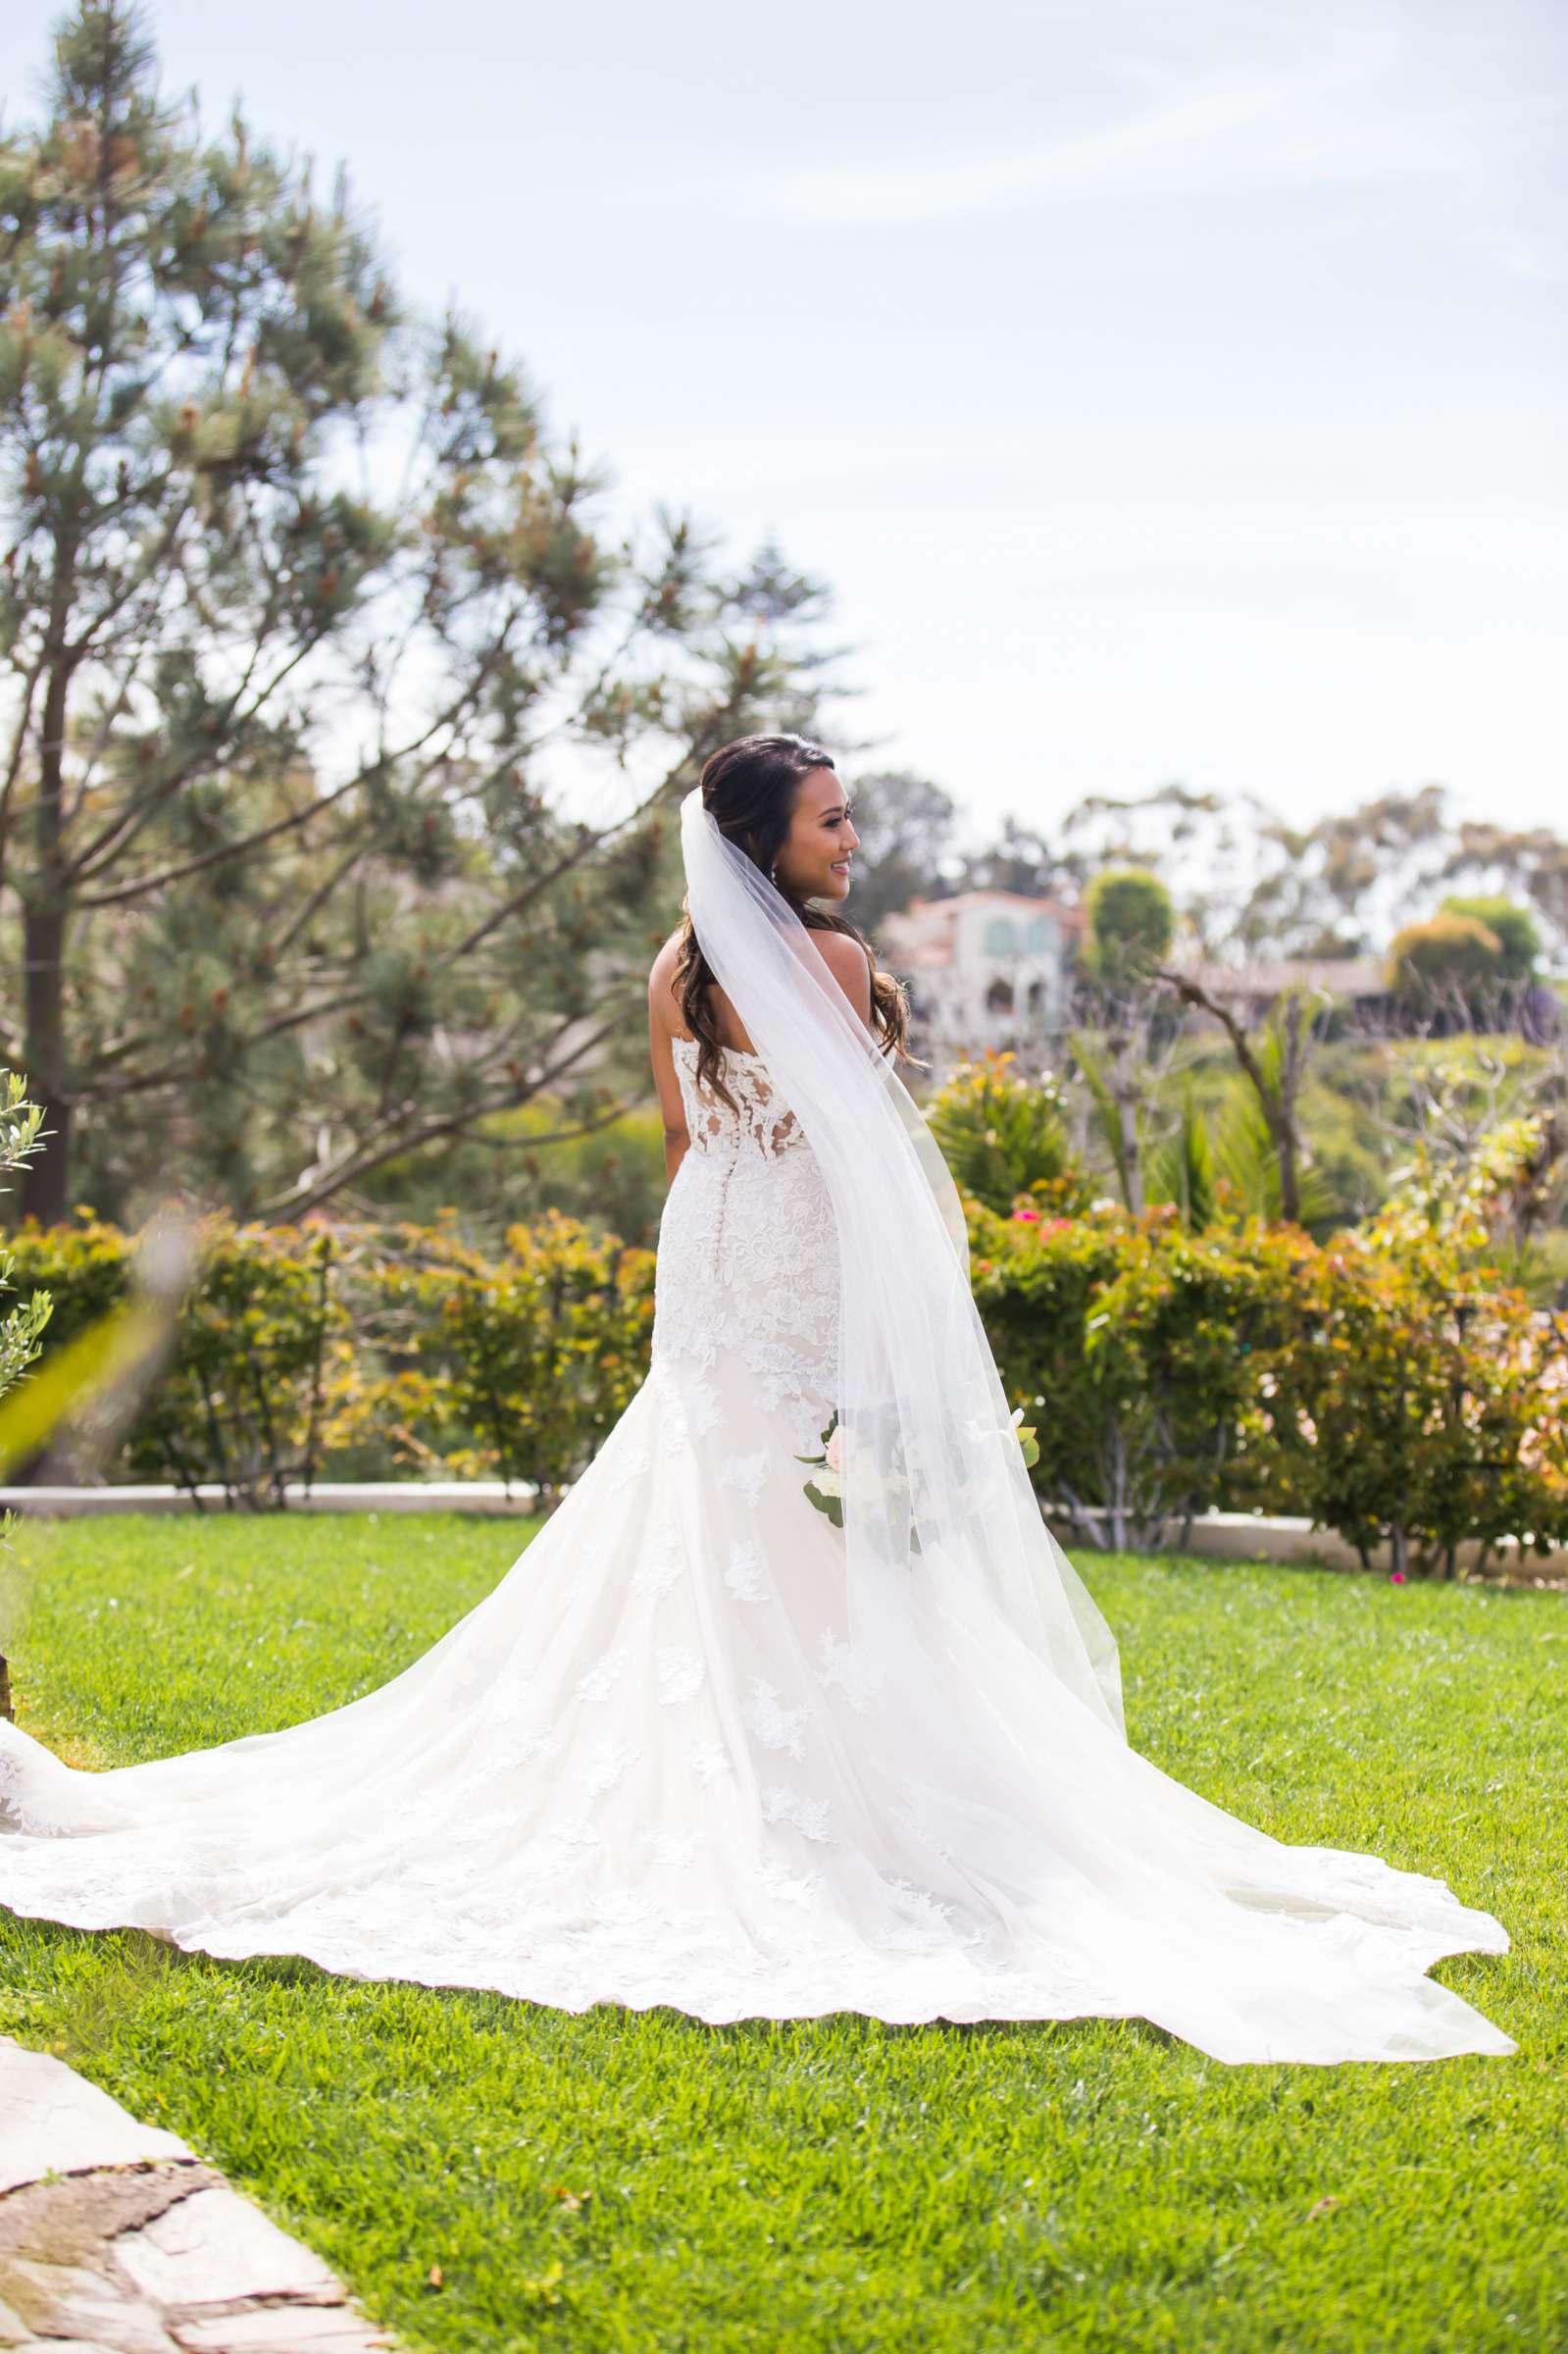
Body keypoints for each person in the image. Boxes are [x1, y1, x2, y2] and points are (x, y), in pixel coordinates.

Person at [0, 735, 1516, 2065]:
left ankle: (736, 1742)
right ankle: (824, 1787)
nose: (852, 842)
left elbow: (684, 1139)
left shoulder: (674, 968)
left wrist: (737, 1250)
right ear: (764, 839)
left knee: (720, 1489)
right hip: (788, 1251)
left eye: (851, 819)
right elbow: (860, 1159)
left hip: (712, 1249)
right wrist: (894, 1325)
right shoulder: (835, 969)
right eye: (829, 823)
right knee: (802, 1491)